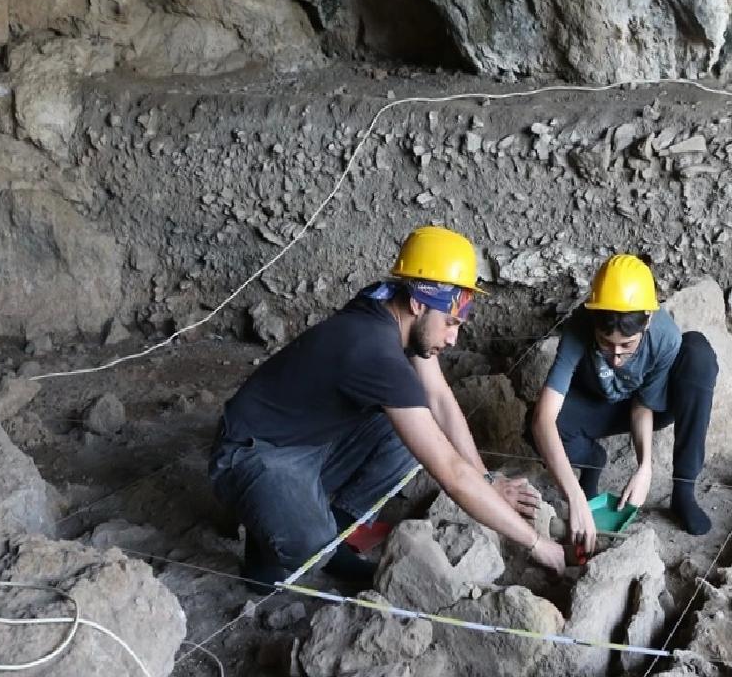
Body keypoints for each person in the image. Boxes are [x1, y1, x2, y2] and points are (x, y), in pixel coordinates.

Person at [209, 225, 565, 589]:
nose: (453, 337)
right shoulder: (374, 351)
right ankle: (282, 535)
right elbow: (453, 476)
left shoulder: (388, 301)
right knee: (308, 545)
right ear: (418, 304)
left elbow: (439, 397)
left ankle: (326, 533)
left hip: (309, 436)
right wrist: (536, 543)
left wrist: (488, 481)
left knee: (414, 434)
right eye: (450, 323)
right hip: (252, 453)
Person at [525, 254, 718, 555]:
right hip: (598, 403)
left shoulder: (663, 334)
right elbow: (543, 419)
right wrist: (574, 498)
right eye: (605, 343)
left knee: (698, 354)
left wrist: (645, 467)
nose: (615, 357)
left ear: (648, 320)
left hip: (649, 407)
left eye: (627, 346)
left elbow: (643, 406)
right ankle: (592, 462)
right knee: (533, 426)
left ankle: (684, 491)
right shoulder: (579, 326)